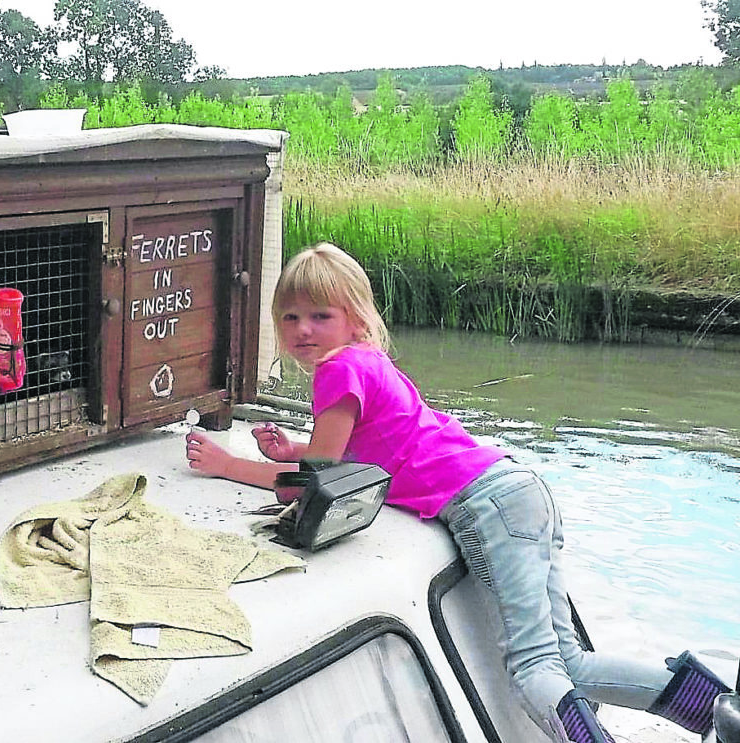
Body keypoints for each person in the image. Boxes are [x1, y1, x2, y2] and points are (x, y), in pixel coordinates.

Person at [184, 242, 733, 742]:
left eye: (320, 316)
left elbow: (315, 488)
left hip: (486, 507)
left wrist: (228, 464)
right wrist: (293, 449)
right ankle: (718, 707)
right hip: (519, 487)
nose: (303, 329)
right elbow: (362, 447)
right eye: (291, 317)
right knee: (570, 659)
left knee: (533, 670)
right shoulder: (371, 362)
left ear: (355, 320)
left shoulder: (337, 371)